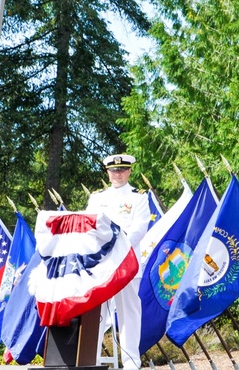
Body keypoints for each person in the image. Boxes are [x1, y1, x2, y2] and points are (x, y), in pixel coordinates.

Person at [85, 153, 151, 370]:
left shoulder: (139, 197)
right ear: (107, 172)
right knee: (96, 314)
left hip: (126, 265)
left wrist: (115, 250)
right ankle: (90, 361)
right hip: (101, 265)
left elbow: (139, 229)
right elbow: (89, 228)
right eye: (114, 170)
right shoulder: (96, 198)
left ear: (129, 171)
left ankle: (132, 364)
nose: (118, 174)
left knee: (129, 314)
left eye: (122, 169)